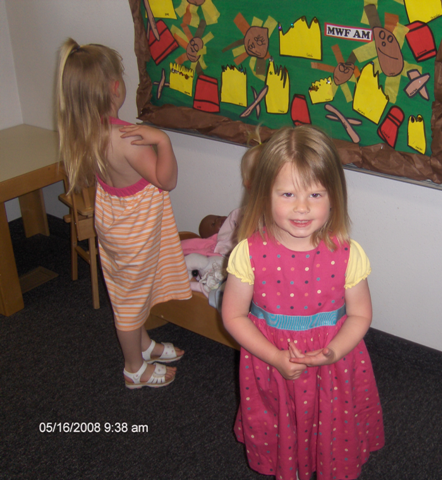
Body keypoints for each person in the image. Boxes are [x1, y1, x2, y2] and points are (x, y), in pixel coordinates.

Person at [222, 125, 385, 480]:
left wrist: (334, 352)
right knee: (281, 424)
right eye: (287, 194)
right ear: (264, 194)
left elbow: (360, 314)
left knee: (331, 428)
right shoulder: (248, 253)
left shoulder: (348, 253)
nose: (301, 207)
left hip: (333, 364)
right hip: (270, 360)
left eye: (315, 194)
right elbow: (233, 315)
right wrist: (274, 357)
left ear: (334, 197)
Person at [56, 38, 192, 389]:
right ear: (116, 87)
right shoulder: (127, 139)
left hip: (117, 227)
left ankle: (143, 346)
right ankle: (134, 368)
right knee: (129, 305)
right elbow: (167, 180)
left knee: (131, 291)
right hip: (135, 233)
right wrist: (162, 141)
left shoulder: (88, 131)